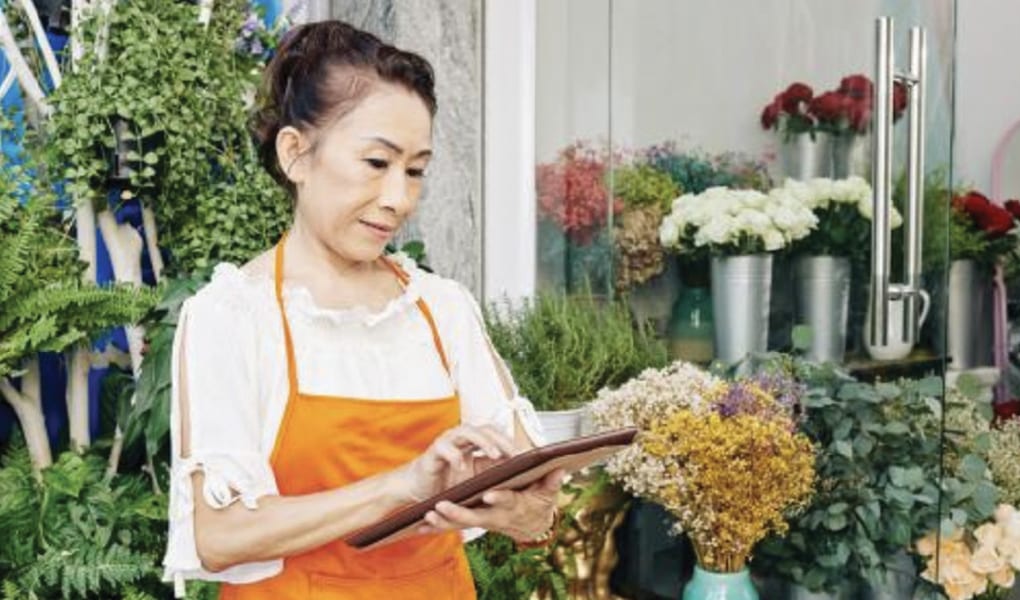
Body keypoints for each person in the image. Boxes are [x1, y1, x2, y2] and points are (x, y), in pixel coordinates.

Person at [161, 19, 562, 599]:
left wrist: (524, 516)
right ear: (296, 154)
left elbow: (534, 491)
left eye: (416, 170)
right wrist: (402, 486)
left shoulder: (440, 309)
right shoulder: (233, 316)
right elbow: (219, 535)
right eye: (377, 163)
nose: (398, 199)